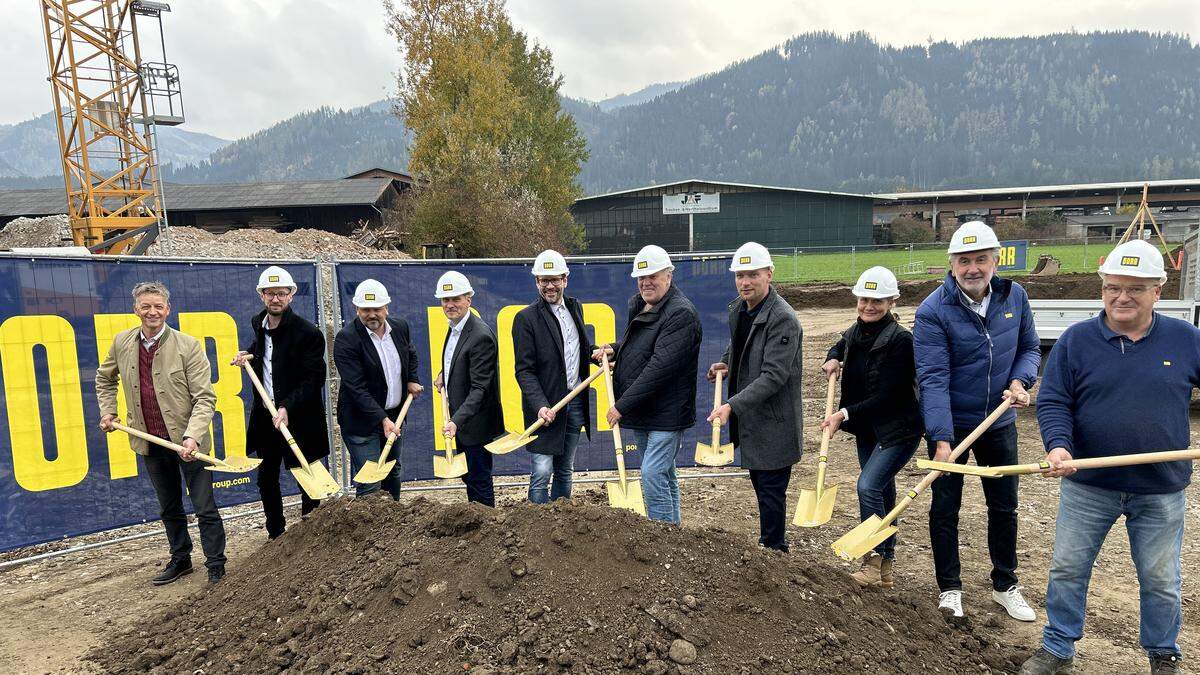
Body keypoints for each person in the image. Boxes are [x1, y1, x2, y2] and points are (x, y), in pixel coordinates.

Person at [1019, 240, 1194, 675]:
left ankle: (1163, 655)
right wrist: (1058, 445)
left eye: (1135, 288)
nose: (1122, 297)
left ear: (1158, 289)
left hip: (1160, 487)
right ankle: (1058, 648)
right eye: (1113, 287)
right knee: (1067, 569)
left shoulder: (1186, 339)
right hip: (1089, 486)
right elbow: (1055, 401)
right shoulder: (1077, 341)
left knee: (1161, 580)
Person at [913, 220, 1041, 621]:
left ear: (995, 260)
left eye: (980, 259)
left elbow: (1030, 348)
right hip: (951, 425)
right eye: (964, 261)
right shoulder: (933, 310)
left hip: (998, 423)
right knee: (944, 507)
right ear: (951, 264)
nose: (972, 268)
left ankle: (1006, 584)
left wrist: (1021, 380)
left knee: (1004, 506)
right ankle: (950, 588)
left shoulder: (1014, 296)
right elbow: (932, 379)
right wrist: (941, 439)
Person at [96, 281, 225, 584]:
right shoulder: (121, 342)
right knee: (169, 506)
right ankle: (181, 559)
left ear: (168, 309)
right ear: (136, 310)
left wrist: (192, 436)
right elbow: (105, 380)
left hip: (188, 443)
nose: (152, 312)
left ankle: (216, 564)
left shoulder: (188, 346)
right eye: (146, 306)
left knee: (204, 506)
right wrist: (108, 410)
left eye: (158, 306)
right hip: (149, 440)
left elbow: (205, 397)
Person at [821, 266, 923, 586]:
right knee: (882, 490)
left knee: (867, 486)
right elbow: (842, 342)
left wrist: (843, 414)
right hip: (868, 429)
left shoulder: (901, 341)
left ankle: (871, 559)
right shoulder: (859, 329)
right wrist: (833, 356)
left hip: (899, 429)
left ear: (892, 301)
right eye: (864, 298)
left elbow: (889, 396)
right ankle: (886, 567)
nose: (869, 305)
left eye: (877, 300)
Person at [594, 244, 702, 524]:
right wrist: (614, 350)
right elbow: (640, 347)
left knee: (652, 473)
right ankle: (673, 531)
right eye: (641, 277)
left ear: (669, 275)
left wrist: (621, 405)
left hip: (667, 413)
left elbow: (659, 367)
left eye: (653, 275)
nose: (646, 282)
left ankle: (663, 535)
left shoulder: (681, 314)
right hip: (645, 411)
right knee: (664, 473)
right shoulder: (641, 304)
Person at [706, 242, 802, 551]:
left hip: (774, 422)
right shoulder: (741, 308)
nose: (745, 282)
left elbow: (774, 375)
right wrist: (725, 361)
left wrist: (730, 406)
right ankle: (770, 549)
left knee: (771, 491)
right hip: (753, 420)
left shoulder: (783, 318)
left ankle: (774, 551)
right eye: (740, 276)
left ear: (769, 274)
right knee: (762, 487)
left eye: (753, 275)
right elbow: (741, 346)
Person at [231, 266, 329, 539]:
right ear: (262, 295)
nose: (276, 299)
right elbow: (267, 352)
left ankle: (311, 532)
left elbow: (314, 378)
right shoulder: (258, 324)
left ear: (291, 296)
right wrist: (248, 354)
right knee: (266, 479)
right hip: (266, 417)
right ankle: (276, 534)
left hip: (299, 417)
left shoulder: (308, 333)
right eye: (270, 293)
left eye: (281, 294)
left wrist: (287, 406)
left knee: (305, 474)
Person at [513, 250, 594, 503]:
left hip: (575, 403)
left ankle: (562, 523)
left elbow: (580, 349)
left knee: (564, 470)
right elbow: (524, 370)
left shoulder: (574, 307)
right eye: (543, 280)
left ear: (565, 279)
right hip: (546, 411)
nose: (549, 286)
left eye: (554, 279)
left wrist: (605, 352)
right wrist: (540, 405)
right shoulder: (526, 319)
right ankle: (536, 524)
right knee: (542, 471)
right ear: (536, 282)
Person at [333, 279, 423, 500]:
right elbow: (356, 388)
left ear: (386, 308)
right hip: (361, 423)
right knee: (370, 482)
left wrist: (412, 379)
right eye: (365, 309)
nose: (371, 314)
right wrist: (382, 420)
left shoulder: (400, 327)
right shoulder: (347, 339)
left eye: (377, 309)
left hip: (395, 416)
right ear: (356, 309)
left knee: (393, 473)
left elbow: (410, 353)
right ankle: (368, 534)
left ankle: (394, 530)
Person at [434, 271, 504, 506]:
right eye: (446, 300)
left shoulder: (479, 335)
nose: (450, 305)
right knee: (470, 478)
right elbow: (461, 361)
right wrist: (446, 374)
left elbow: (480, 388)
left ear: (469, 299)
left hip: (475, 424)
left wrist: (456, 421)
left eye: (456, 299)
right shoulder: (456, 326)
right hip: (464, 423)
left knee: (479, 479)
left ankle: (488, 529)